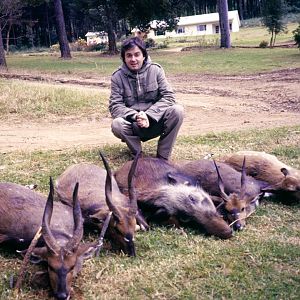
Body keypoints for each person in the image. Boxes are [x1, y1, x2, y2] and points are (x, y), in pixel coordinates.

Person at [109, 37, 184, 160]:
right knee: (117, 124)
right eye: (129, 55)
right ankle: (138, 156)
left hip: (155, 122)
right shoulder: (117, 77)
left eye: (137, 54)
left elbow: (169, 97)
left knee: (178, 111)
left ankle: (163, 157)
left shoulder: (156, 70)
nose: (133, 59)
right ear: (124, 58)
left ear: (144, 55)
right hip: (133, 125)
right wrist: (136, 116)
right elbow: (115, 106)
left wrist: (148, 115)